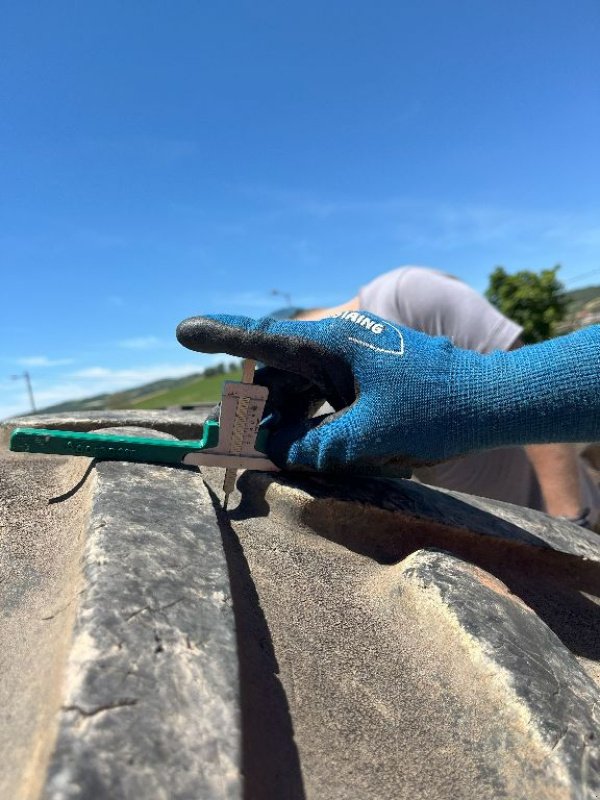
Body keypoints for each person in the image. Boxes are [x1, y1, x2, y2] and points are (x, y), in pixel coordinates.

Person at [176, 267, 600, 528]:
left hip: (563, 516)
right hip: (493, 530)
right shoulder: (326, 383)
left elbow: (526, 374)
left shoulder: (409, 292)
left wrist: (570, 522)